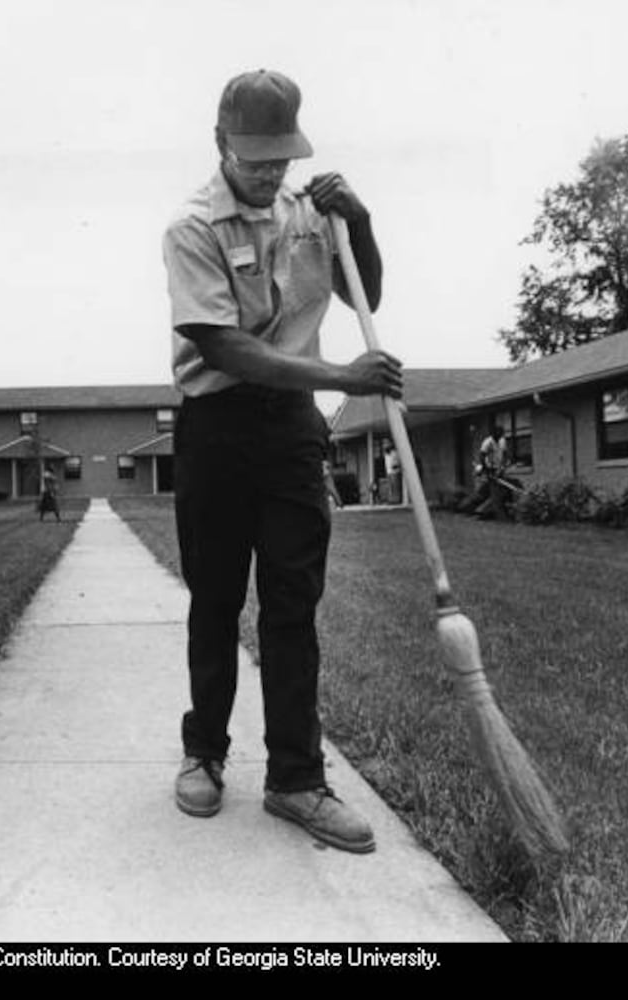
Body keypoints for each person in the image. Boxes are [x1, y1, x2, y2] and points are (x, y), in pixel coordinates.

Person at [161, 68, 403, 853]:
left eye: (280, 159)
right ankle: (203, 754)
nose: (269, 173)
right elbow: (226, 346)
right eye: (254, 158)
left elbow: (363, 290)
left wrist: (358, 222)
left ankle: (296, 780)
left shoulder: (311, 213)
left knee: (293, 605)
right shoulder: (191, 226)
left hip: (292, 433)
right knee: (216, 599)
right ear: (220, 144)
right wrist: (341, 378)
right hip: (217, 426)